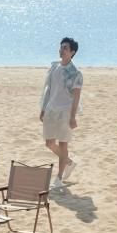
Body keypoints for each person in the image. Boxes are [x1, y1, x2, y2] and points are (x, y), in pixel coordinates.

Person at [40, 37, 83, 186]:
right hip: (51, 109)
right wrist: (43, 108)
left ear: (72, 52)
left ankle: (59, 178)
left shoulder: (76, 73)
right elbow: (48, 90)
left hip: (66, 111)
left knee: (63, 144)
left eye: (65, 48)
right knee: (49, 143)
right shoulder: (55, 67)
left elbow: (76, 96)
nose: (62, 50)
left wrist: (73, 116)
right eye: (61, 47)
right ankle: (68, 162)